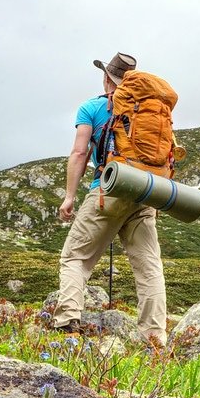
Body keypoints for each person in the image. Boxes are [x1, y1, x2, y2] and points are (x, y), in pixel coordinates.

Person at [53, 52, 168, 344]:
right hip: (146, 190)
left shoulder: (92, 108)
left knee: (75, 256)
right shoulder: (151, 110)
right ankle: (154, 337)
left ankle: (67, 320)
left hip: (110, 187)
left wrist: (69, 197)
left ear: (106, 77)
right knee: (149, 266)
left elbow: (80, 153)